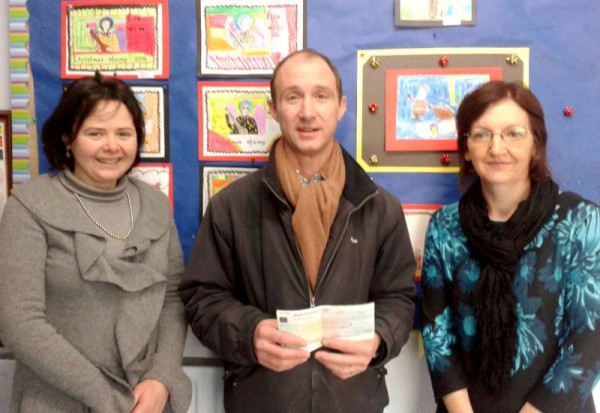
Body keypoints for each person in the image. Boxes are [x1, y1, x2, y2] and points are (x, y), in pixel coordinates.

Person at [179, 49, 416, 413]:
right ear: (273, 109)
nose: (307, 111)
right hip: (262, 402)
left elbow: (398, 299)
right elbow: (202, 298)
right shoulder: (233, 206)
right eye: (293, 97)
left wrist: (379, 338)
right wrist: (249, 333)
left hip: (353, 401)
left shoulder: (380, 208)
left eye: (321, 96)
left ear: (340, 106)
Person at [0, 73, 191, 412]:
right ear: (67, 139)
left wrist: (162, 378)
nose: (111, 146)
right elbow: (19, 323)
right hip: (55, 401)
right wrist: (108, 398)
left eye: (123, 133)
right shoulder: (29, 205)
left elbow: (172, 299)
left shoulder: (154, 205)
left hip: (144, 401)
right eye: (95, 133)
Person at [420, 80, 600, 413]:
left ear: (536, 145)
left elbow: (591, 336)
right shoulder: (445, 227)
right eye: (481, 134)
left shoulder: (581, 222)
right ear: (466, 149)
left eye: (514, 133)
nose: (497, 147)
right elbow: (437, 333)